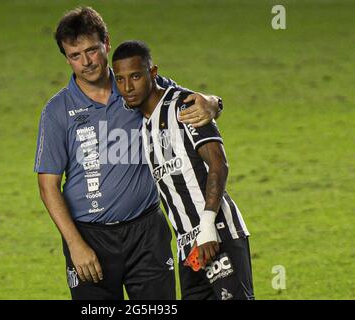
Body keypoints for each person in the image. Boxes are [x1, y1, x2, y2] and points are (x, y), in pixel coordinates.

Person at [34, 7, 222, 300]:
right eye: (75, 55)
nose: (86, 62)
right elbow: (48, 186)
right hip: (89, 238)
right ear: (66, 58)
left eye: (92, 50)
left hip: (147, 233)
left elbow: (192, 100)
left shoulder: (138, 87)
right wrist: (75, 244)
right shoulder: (57, 111)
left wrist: (212, 104)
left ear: (106, 43)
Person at [112, 40, 254, 300]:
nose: (128, 87)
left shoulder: (184, 106)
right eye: (120, 80)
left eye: (135, 76)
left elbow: (218, 164)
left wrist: (208, 227)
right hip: (188, 250)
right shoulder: (143, 123)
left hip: (217, 235)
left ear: (153, 73)